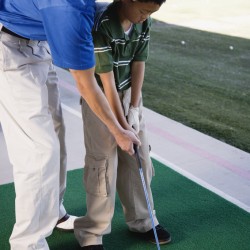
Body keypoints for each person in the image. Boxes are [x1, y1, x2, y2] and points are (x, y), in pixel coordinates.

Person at [0, 1, 140, 249]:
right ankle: (27, 243)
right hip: (9, 48)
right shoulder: (67, 9)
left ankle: (53, 211)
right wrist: (118, 131)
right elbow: (86, 85)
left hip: (39, 44)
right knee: (40, 152)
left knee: (56, 130)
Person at [75, 0, 171, 249]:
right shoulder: (102, 25)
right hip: (100, 98)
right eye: (143, 10)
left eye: (151, 12)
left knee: (140, 157)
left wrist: (135, 107)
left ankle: (143, 219)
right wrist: (121, 129)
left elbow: (139, 63)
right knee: (103, 163)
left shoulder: (143, 22)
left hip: (128, 94)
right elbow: (106, 84)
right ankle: (92, 233)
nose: (145, 16)